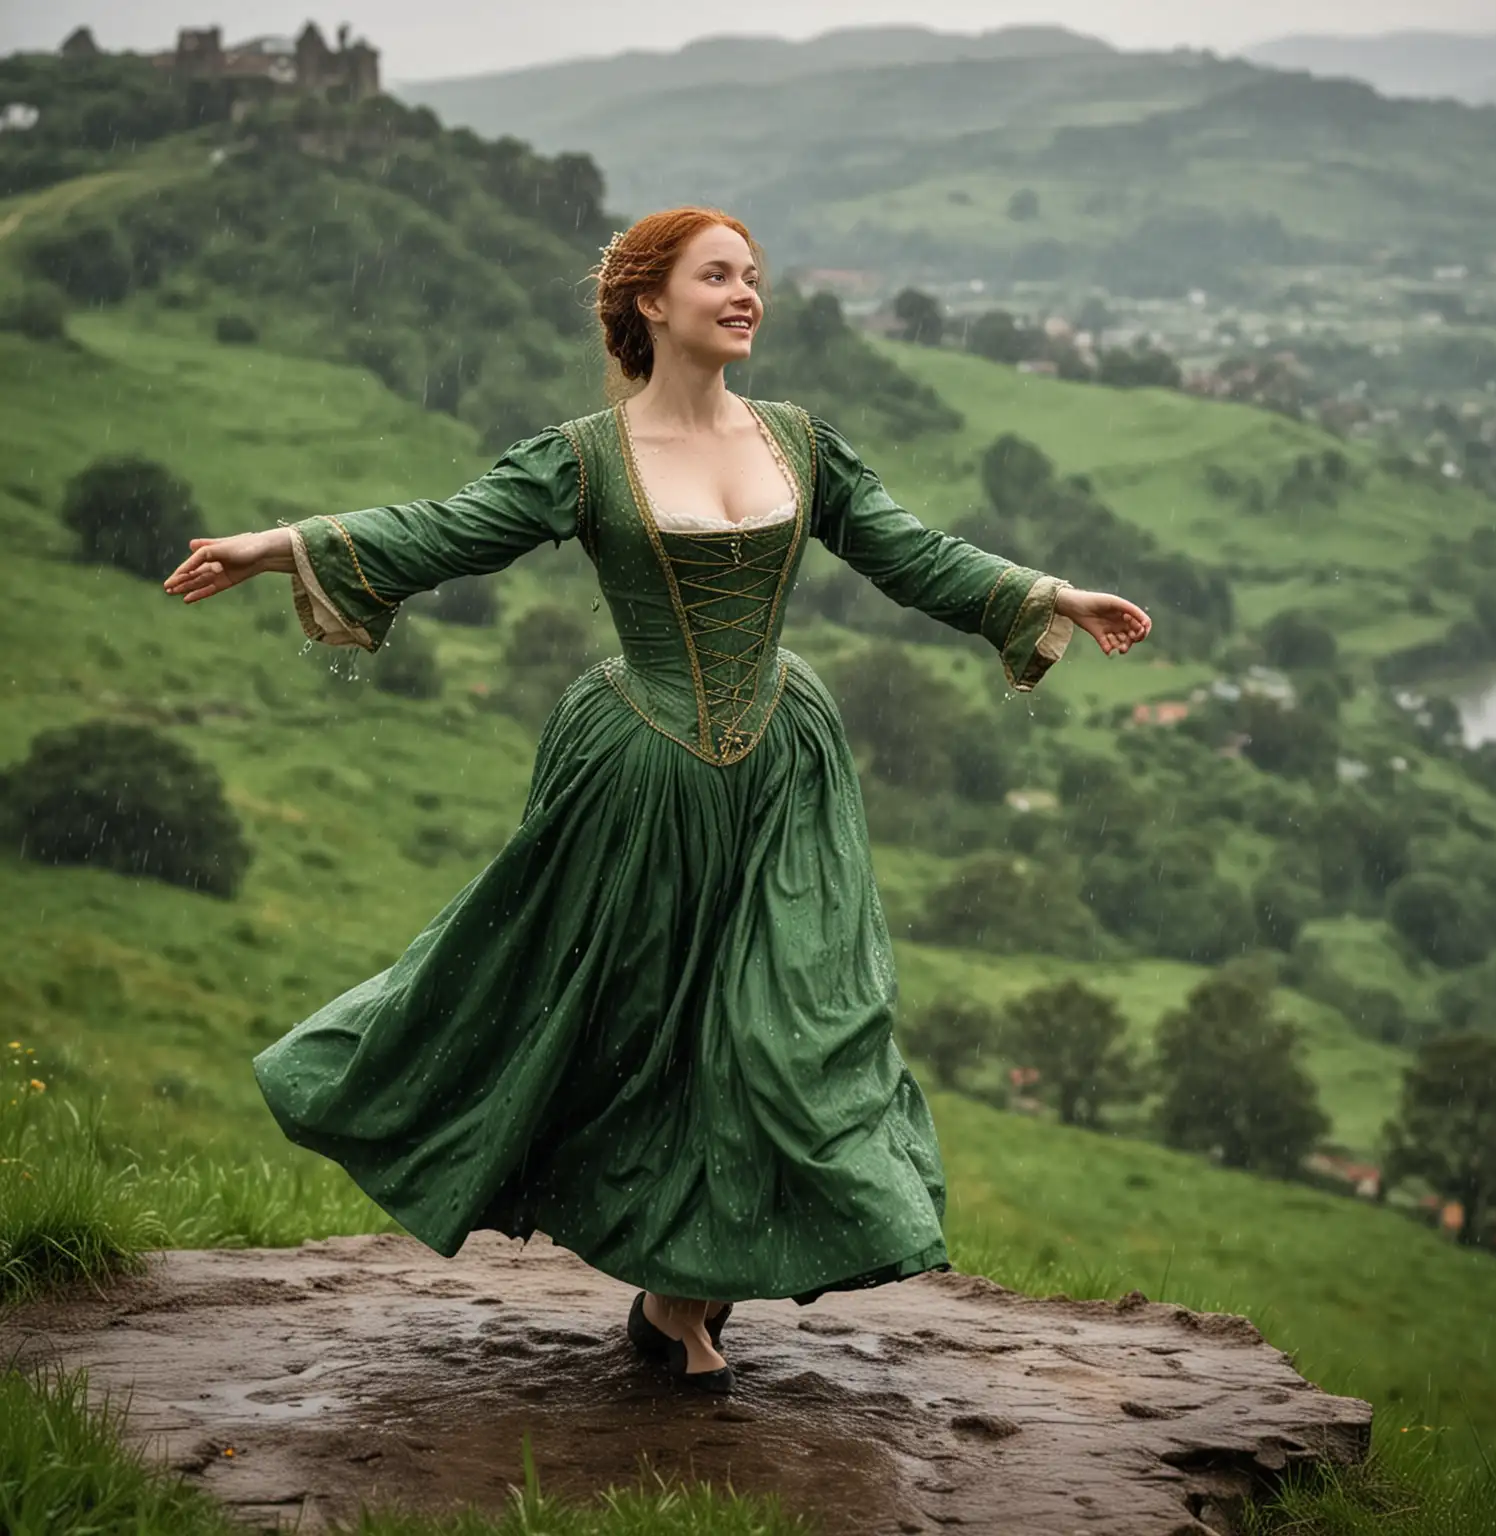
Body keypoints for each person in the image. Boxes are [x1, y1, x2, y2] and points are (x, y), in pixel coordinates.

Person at [163, 206, 1151, 1396]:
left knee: (781, 1031)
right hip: (639, 770)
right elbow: (449, 529)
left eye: (754, 276)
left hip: (784, 769)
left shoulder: (802, 443)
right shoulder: (585, 457)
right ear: (649, 301)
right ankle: (670, 1292)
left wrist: (1052, 596)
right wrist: (281, 545)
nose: (747, 294)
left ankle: (687, 1289)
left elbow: (911, 551)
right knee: (622, 1022)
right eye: (718, 275)